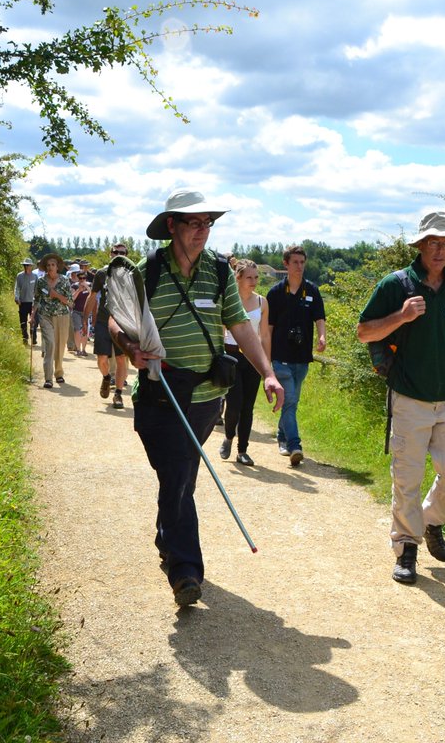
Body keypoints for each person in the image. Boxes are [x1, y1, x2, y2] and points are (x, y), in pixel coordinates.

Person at [110, 189, 282, 607]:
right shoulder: (144, 272)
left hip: (207, 396)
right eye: (193, 223)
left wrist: (269, 373)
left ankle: (166, 535)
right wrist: (131, 348)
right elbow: (117, 319)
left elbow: (240, 327)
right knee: (177, 472)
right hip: (160, 393)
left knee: (180, 474)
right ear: (172, 226)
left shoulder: (221, 272)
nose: (202, 231)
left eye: (208, 223)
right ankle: (185, 571)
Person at [356, 210, 445, 585]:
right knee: (407, 478)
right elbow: (364, 332)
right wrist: (401, 316)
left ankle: (430, 522)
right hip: (409, 397)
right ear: (421, 245)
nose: (439, 250)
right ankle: (406, 548)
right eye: (433, 243)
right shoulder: (396, 285)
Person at [265, 244, 327, 466]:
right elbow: (268, 329)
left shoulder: (311, 291)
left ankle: (281, 436)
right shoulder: (274, 293)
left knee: (292, 402)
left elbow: (320, 317)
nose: (299, 267)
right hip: (280, 358)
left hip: (302, 358)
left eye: (302, 262)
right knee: (289, 401)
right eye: (295, 262)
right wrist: (267, 361)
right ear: (286, 264)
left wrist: (322, 337)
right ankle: (294, 445)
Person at [218, 258, 270, 466]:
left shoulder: (262, 302)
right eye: (249, 277)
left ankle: (243, 450)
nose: (254, 281)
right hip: (231, 355)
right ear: (238, 278)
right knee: (234, 403)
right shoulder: (228, 300)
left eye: (256, 277)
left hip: (253, 356)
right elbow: (220, 331)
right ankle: (229, 436)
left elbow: (264, 335)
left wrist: (267, 365)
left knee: (248, 406)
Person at [86, 243, 131, 409]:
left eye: (122, 252)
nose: (118, 254)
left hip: (122, 323)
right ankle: (106, 377)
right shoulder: (101, 273)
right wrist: (85, 320)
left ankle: (118, 394)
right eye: (115, 252)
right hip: (103, 321)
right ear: (110, 254)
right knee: (102, 359)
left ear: (126, 255)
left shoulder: (131, 275)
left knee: (121, 359)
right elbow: (92, 297)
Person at [34, 252, 73, 389]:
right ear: (45, 267)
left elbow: (70, 302)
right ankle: (48, 378)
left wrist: (56, 295)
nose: (50, 267)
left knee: (60, 346)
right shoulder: (41, 281)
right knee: (50, 344)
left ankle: (59, 373)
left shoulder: (64, 281)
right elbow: (37, 299)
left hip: (62, 316)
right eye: (48, 265)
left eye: (53, 265)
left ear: (57, 267)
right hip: (45, 316)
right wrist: (32, 316)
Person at [14, 257, 36, 344]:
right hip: (22, 302)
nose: (26, 267)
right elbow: (17, 288)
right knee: (23, 321)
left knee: (33, 321)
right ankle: (25, 337)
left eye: (28, 265)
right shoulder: (19, 276)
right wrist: (17, 297)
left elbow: (37, 290)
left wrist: (36, 300)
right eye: (25, 265)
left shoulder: (35, 276)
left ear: (31, 266)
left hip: (32, 302)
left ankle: (33, 337)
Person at [71, 273, 91, 356]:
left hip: (86, 312)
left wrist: (86, 287)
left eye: (84, 278)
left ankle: (84, 349)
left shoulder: (89, 285)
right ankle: (78, 349)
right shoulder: (74, 286)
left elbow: (92, 295)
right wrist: (79, 290)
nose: (82, 280)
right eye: (80, 278)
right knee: (77, 330)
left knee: (85, 331)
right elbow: (72, 298)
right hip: (76, 311)